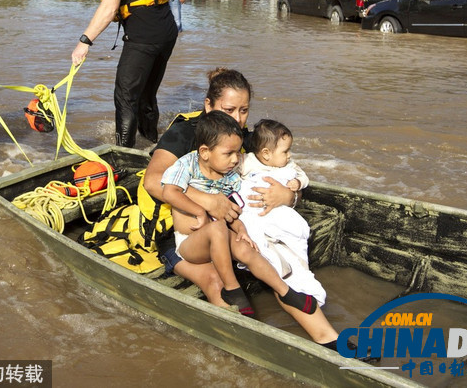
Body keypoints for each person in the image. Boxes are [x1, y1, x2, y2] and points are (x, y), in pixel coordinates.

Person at [142, 68, 344, 349]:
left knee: (271, 255)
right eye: (229, 109)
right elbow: (153, 181)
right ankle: (243, 344)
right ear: (208, 105)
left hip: (230, 224)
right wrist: (208, 202)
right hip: (183, 231)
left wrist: (288, 196)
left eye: (244, 110)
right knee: (214, 278)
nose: (237, 119)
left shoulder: (242, 140)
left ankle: (328, 338)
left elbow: (283, 173)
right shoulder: (186, 132)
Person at [161, 110, 319, 317]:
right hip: (190, 244)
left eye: (238, 153)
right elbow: (169, 191)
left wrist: (242, 230)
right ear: (205, 152)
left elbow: (232, 212)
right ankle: (232, 288)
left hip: (219, 237)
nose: (236, 159)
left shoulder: (231, 178)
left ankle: (286, 291)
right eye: (229, 154)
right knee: (217, 228)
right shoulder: (187, 165)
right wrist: (199, 211)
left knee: (246, 249)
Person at [71, 0, 178, 148]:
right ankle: (152, 143)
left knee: (125, 97)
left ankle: (123, 156)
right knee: (146, 95)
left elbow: (108, 9)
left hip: (143, 37)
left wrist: (84, 42)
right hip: (167, 32)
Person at [238, 119, 327, 308]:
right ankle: (273, 258)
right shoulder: (248, 162)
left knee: (296, 230)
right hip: (256, 210)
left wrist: (297, 184)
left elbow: (303, 176)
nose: (289, 155)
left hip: (279, 211)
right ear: (266, 154)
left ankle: (297, 265)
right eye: (285, 151)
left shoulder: (289, 166)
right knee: (253, 227)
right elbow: (232, 173)